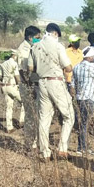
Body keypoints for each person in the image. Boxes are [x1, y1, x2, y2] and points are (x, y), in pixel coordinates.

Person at [28, 23, 74, 162]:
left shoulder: (34, 47)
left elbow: (31, 68)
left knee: (44, 118)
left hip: (42, 83)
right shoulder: (58, 46)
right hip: (56, 81)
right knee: (69, 116)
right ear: (55, 33)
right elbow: (68, 67)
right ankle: (62, 148)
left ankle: (45, 153)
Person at [16, 25, 41, 151]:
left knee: (35, 114)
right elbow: (25, 73)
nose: (39, 39)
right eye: (37, 38)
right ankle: (29, 145)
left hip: (31, 85)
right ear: (30, 37)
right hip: (28, 86)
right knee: (31, 115)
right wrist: (32, 87)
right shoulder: (24, 50)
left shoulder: (30, 47)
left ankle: (33, 142)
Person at [0, 49, 23, 133]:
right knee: (24, 102)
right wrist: (20, 85)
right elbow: (17, 76)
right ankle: (21, 121)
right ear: (15, 56)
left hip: (4, 86)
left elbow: (0, 76)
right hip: (12, 86)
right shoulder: (14, 64)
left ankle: (9, 127)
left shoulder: (3, 64)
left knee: (9, 107)